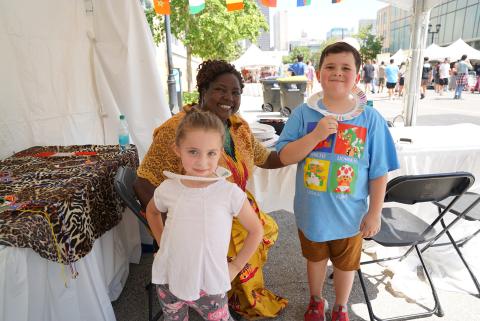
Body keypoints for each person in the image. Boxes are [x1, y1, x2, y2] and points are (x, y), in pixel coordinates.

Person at [134, 59, 288, 319]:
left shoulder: (236, 126)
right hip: (196, 222)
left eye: (236, 92)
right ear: (203, 90)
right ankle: (220, 292)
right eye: (220, 89)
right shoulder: (179, 129)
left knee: (262, 228)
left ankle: (233, 293)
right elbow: (142, 182)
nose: (229, 97)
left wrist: (311, 142)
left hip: (229, 208)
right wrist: (171, 237)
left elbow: (267, 158)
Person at [275, 42, 399, 321]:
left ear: (358, 75)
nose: (338, 73)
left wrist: (374, 212)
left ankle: (341, 305)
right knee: (315, 259)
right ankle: (316, 300)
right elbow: (284, 156)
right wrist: (315, 135)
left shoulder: (371, 119)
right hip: (312, 213)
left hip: (351, 215)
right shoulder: (303, 114)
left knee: (346, 264)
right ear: (319, 74)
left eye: (346, 68)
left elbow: (379, 171)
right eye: (330, 67)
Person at [146, 110, 264, 321]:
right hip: (169, 278)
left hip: (210, 284)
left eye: (211, 153)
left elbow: (256, 230)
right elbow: (152, 211)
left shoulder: (229, 193)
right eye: (193, 152)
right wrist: (163, 243)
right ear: (177, 149)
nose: (202, 161)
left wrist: (236, 266)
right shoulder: (168, 189)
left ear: (220, 153)